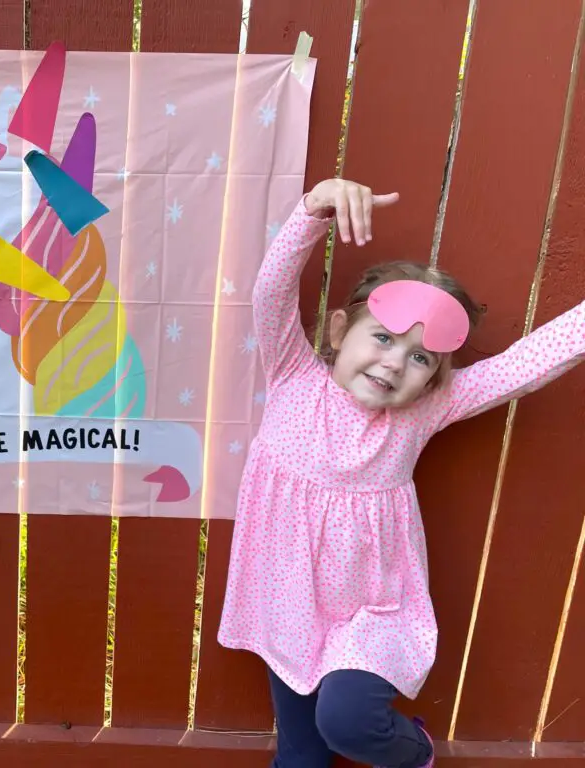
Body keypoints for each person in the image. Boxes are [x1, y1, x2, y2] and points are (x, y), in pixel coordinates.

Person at [218, 178, 585, 768]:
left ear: (434, 379)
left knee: (348, 722)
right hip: (286, 604)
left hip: (373, 612)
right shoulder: (293, 375)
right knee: (301, 760)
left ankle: (415, 752)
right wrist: (312, 211)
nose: (394, 363)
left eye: (420, 358)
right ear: (339, 333)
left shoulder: (424, 410)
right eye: (383, 338)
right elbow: (270, 294)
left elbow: (525, 364)